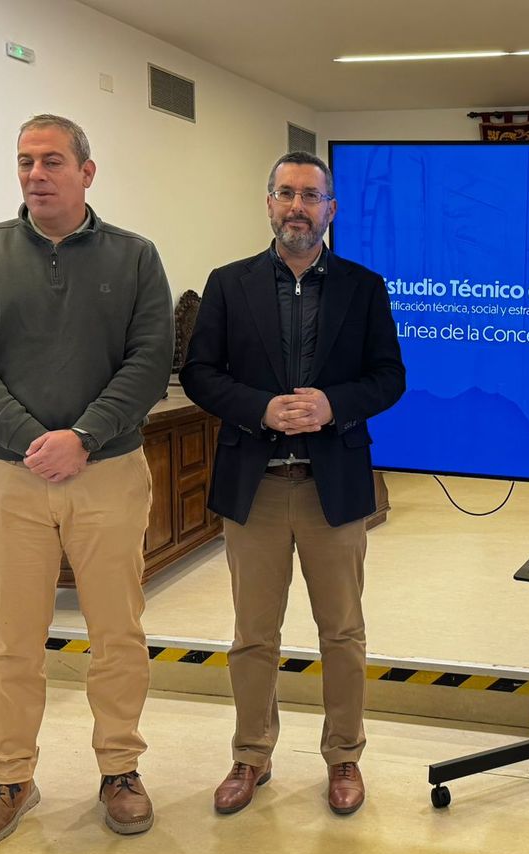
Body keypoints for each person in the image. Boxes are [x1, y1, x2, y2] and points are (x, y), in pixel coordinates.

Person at [0, 114, 173, 848]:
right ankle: (11, 777)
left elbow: (148, 360)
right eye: (24, 162)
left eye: (51, 161)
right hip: (9, 478)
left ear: (87, 172)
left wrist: (85, 438)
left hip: (108, 474)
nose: (36, 174)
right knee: (12, 641)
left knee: (117, 634)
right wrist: (34, 441)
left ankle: (120, 770)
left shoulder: (136, 257)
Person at [180, 150, 405, 816]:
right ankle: (250, 757)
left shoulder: (364, 288)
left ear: (331, 209)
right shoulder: (229, 283)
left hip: (330, 484)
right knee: (253, 634)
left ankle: (344, 757)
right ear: (269, 203)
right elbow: (199, 373)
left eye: (311, 196)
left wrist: (334, 404)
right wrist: (259, 407)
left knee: (342, 632)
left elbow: (389, 377)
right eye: (286, 194)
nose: (298, 207)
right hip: (256, 485)